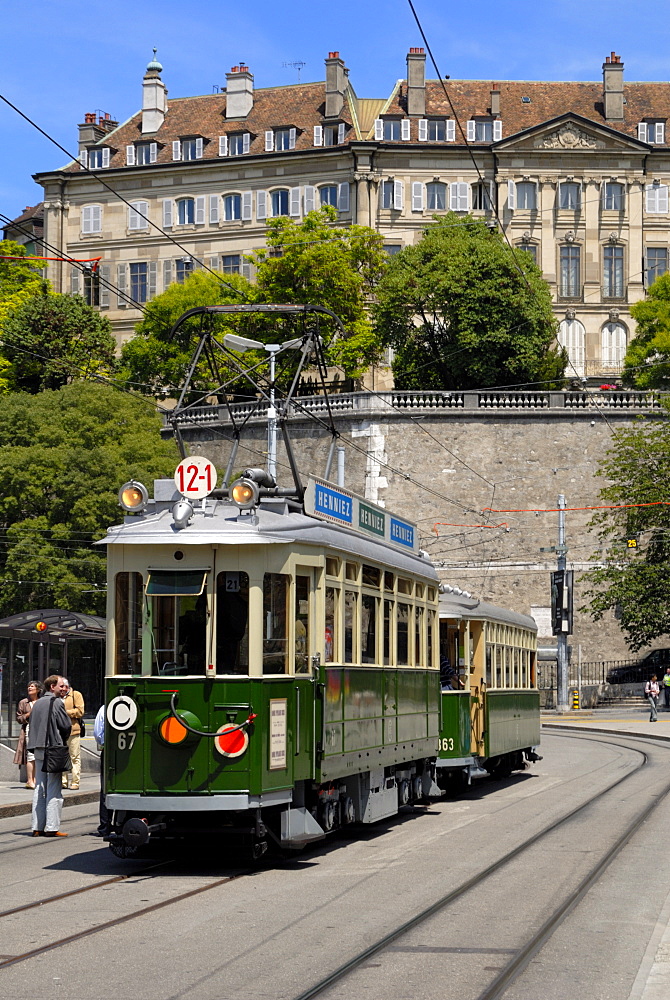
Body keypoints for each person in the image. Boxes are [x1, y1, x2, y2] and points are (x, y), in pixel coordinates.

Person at [27, 675, 71, 837]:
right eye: (61, 686)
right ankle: (52, 827)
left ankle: (37, 826)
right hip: (53, 748)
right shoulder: (56, 702)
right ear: (52, 687)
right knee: (54, 787)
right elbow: (65, 725)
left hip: (38, 748)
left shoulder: (37, 703)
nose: (64, 689)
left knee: (40, 787)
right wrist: (62, 740)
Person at [13, 681, 43, 788]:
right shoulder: (23, 702)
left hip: (41, 729)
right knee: (30, 755)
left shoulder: (41, 701)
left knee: (39, 755)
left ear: (38, 690)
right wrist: (28, 715)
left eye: (32, 686)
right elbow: (19, 718)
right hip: (29, 728)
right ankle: (30, 780)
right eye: (28, 686)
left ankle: (36, 779)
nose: (29, 688)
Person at [60, 679, 84, 790]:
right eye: (60, 687)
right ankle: (63, 781)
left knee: (74, 757)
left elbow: (80, 711)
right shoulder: (57, 696)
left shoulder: (76, 695)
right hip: (59, 731)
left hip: (73, 730)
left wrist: (65, 712)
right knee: (62, 756)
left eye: (64, 686)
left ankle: (75, 781)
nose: (62, 689)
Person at [92, 704, 110, 837]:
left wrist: (105, 743)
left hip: (110, 751)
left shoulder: (105, 707)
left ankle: (105, 826)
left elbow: (98, 733)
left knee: (106, 788)